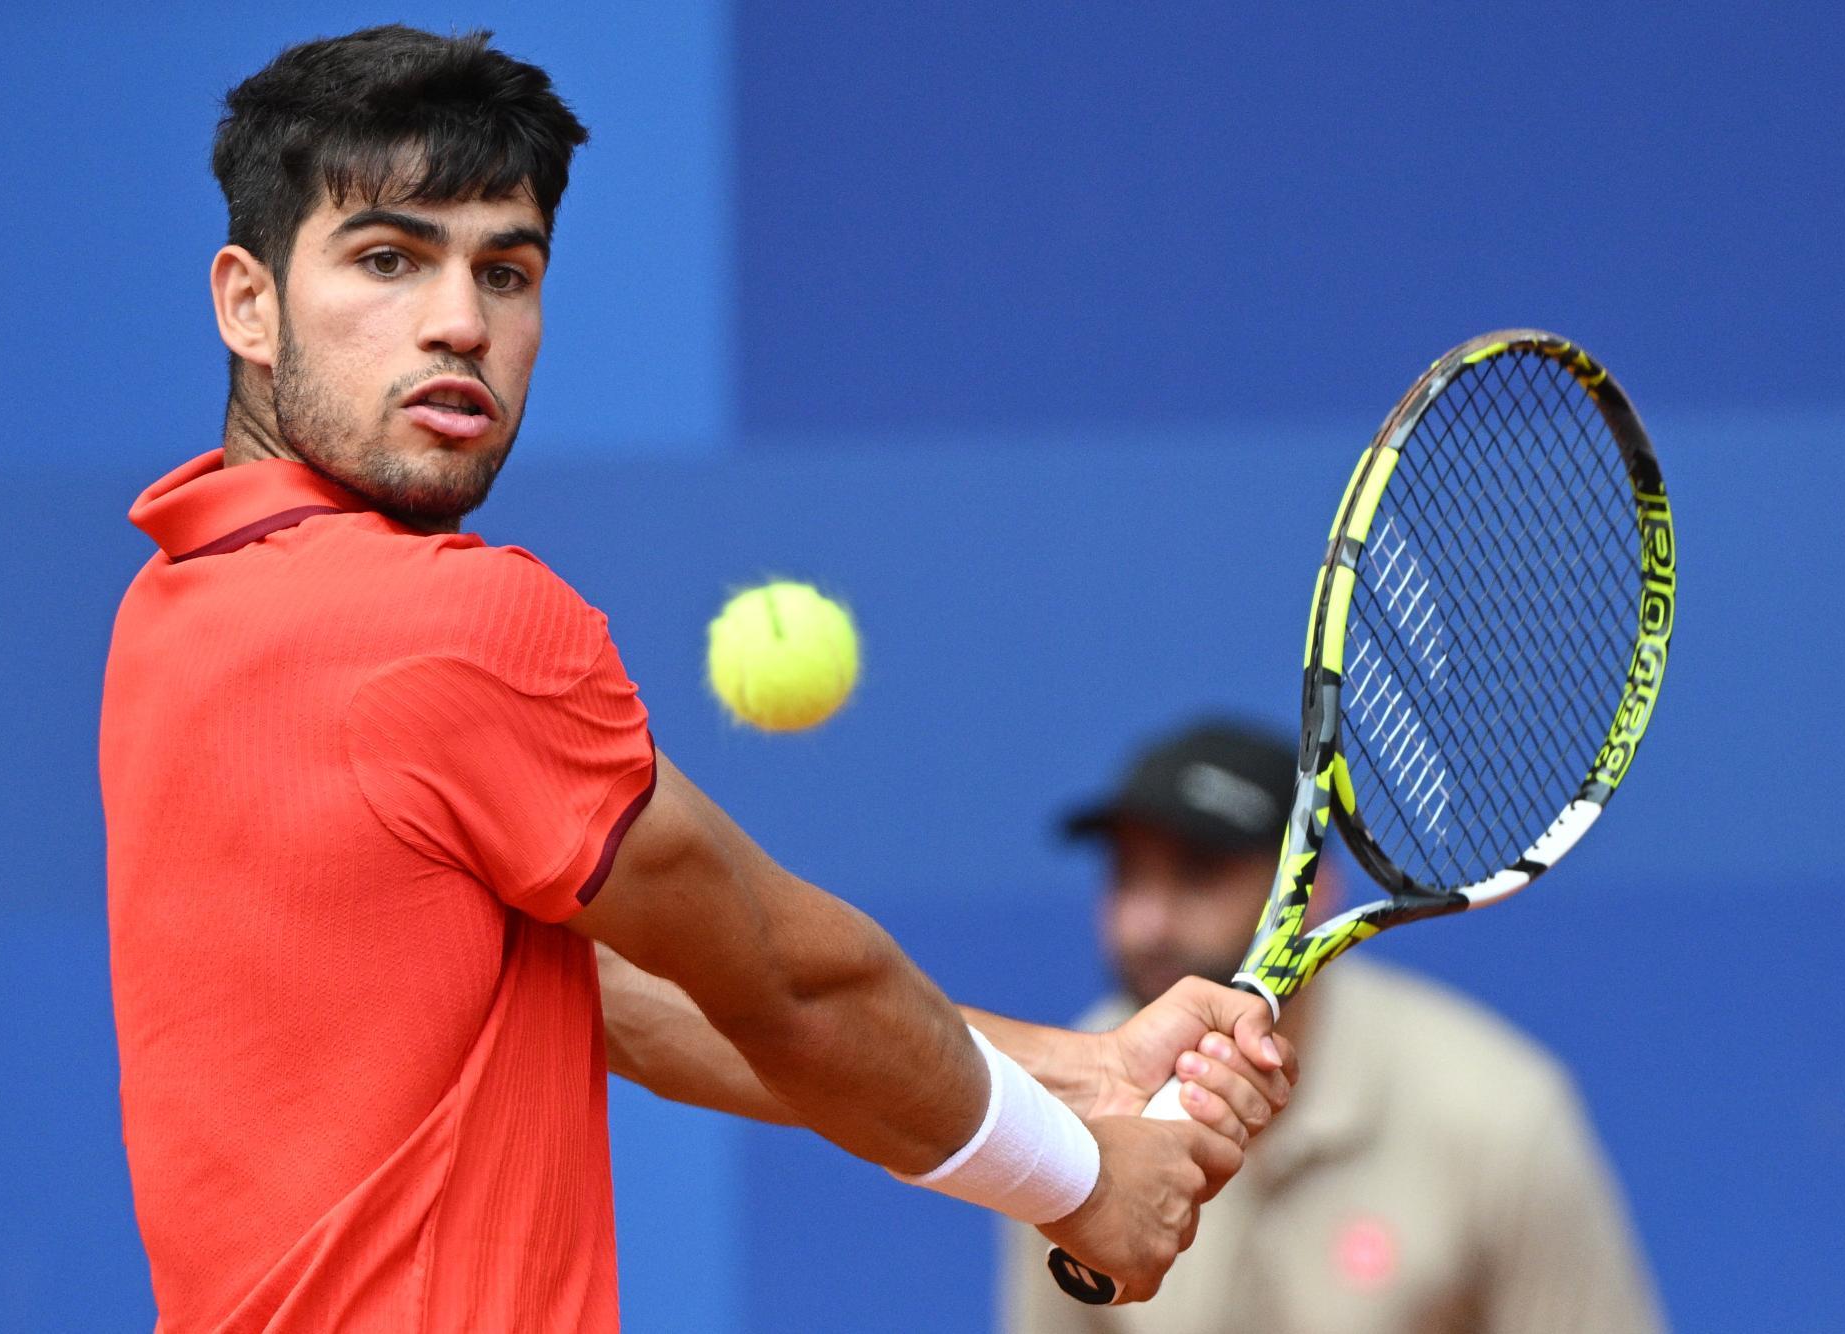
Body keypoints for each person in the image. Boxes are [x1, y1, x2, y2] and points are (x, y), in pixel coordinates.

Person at [97, 27, 1296, 1333]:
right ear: (247, 301)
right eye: (388, 258)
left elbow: (628, 998)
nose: (459, 323)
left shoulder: (174, 616)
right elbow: (787, 980)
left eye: (507, 271)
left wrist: (1089, 1074)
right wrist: (1080, 1183)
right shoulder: (451, 629)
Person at [999, 719, 1667, 1334]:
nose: (1146, 925)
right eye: (1127, 876)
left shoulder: (1501, 1115)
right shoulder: (1067, 1119)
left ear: (1314, 891)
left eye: (1198, 874)